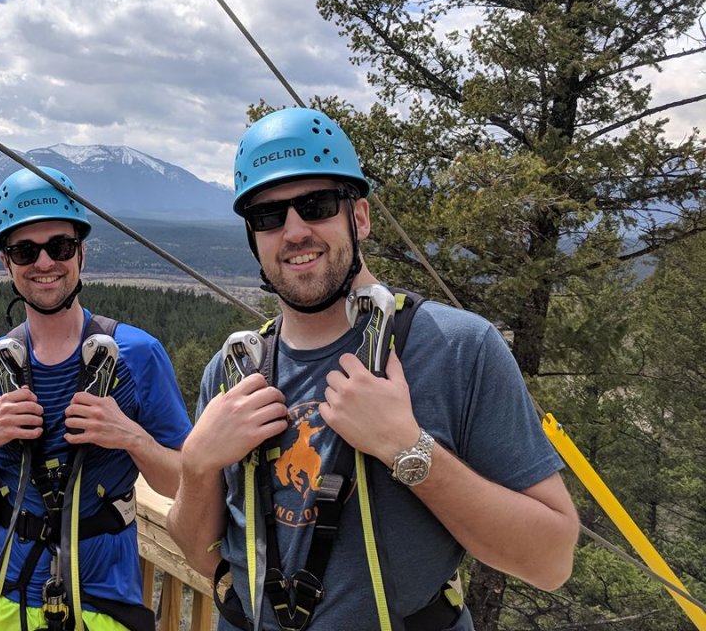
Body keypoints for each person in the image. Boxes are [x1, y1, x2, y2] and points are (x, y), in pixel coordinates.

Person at [166, 108, 580, 630]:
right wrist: (197, 466)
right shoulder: (235, 371)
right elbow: (201, 556)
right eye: (268, 216)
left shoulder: (456, 349)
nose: (293, 231)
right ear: (254, 237)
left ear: (359, 217)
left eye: (316, 206)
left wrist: (407, 449)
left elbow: (550, 560)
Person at [0, 166, 192, 631]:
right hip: (11, 600)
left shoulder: (137, 356)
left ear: (81, 252)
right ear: (6, 263)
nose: (44, 263)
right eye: (25, 250)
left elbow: (183, 482)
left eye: (59, 246)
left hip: (105, 602)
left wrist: (131, 437)